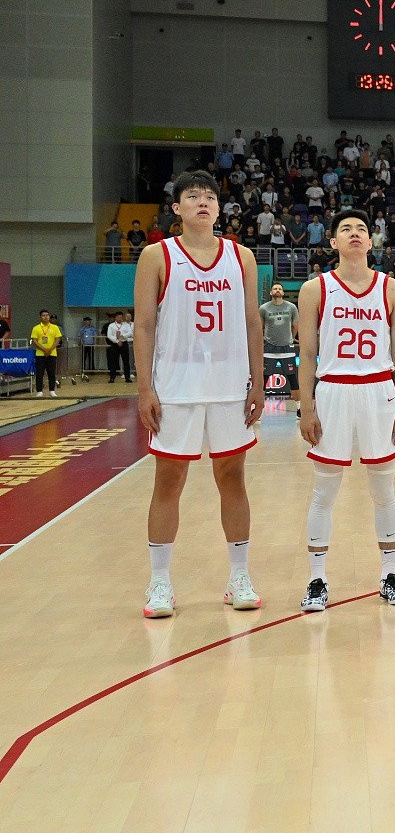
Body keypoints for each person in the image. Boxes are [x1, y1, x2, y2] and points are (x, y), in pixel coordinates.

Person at [132, 170, 265, 619]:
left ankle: (239, 576)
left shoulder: (241, 256)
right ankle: (159, 582)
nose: (203, 202)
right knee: (169, 481)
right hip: (176, 386)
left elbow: (252, 321)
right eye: (193, 196)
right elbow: (144, 325)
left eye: (210, 196)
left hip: (229, 385)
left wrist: (258, 381)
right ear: (177, 208)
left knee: (233, 478)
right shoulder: (156, 255)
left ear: (219, 208)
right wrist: (145, 388)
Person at [295, 209, 395, 611]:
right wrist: (306, 406)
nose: (355, 233)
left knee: (384, 489)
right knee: (324, 490)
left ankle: (390, 574)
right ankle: (316, 579)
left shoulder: (393, 289)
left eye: (362, 228)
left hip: (378, 390)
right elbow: (307, 353)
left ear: (371, 240)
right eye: (346, 229)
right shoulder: (314, 289)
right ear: (333, 242)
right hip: (333, 389)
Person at [258, 283, 299, 400]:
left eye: (280, 289)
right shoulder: (263, 308)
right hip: (269, 347)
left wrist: (291, 338)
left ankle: (298, 406)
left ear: (283, 292)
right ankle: (259, 406)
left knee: (293, 378)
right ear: (271, 292)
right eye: (275, 289)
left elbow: (296, 325)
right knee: (263, 378)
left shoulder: (291, 307)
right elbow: (260, 327)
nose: (277, 290)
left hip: (287, 348)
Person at [30, 309, 61, 397]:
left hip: (52, 353)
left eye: (47, 315)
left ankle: (52, 390)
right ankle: (39, 391)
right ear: (40, 317)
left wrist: (50, 349)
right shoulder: (36, 328)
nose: (45, 317)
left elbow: (58, 339)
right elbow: (34, 341)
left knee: (51, 373)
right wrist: (44, 349)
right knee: (40, 373)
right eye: (43, 315)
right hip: (40, 354)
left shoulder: (55, 327)